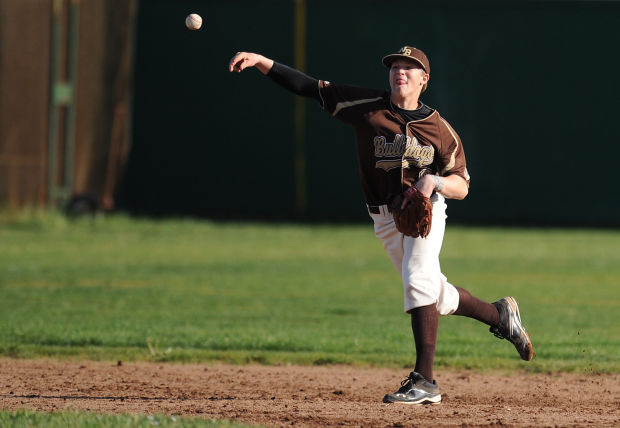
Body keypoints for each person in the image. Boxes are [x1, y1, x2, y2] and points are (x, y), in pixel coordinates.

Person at [228, 46, 534, 405]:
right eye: (395, 67)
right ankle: (500, 315)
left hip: (426, 212)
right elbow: (310, 88)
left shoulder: (440, 130)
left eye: (409, 67)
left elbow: (462, 185)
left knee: (418, 279)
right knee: (434, 294)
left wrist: (433, 182)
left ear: (424, 80)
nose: (399, 72)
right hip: (385, 218)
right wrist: (264, 63)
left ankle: (426, 382)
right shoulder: (367, 106)